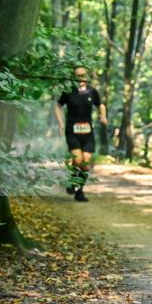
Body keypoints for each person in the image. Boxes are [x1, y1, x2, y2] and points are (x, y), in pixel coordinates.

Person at [55, 66, 107, 202]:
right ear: (73, 77)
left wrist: (103, 116)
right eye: (77, 76)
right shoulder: (68, 91)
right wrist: (60, 123)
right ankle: (73, 180)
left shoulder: (92, 91)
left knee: (85, 163)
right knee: (77, 160)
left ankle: (80, 191)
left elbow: (100, 105)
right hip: (72, 131)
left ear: (87, 76)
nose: (80, 78)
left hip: (87, 133)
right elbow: (58, 105)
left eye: (83, 75)